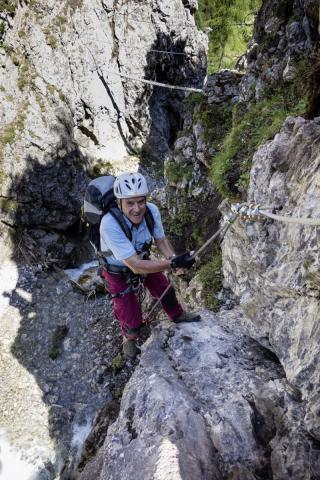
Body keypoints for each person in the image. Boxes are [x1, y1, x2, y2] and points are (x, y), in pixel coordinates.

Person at [100, 172, 201, 359]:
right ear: (119, 202)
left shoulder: (151, 211)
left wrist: (174, 259)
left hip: (143, 259)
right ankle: (129, 339)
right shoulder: (109, 224)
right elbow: (135, 266)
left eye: (141, 201)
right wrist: (171, 263)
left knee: (166, 290)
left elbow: (161, 240)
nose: (137, 208)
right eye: (130, 203)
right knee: (129, 317)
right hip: (118, 272)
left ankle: (177, 315)